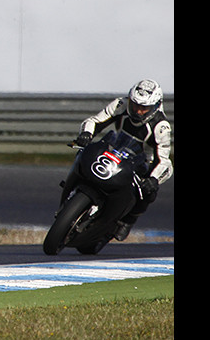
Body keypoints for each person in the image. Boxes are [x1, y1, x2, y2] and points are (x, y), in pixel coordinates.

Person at [72, 78, 173, 240]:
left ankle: (127, 221)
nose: (138, 111)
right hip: (114, 146)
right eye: (135, 105)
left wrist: (154, 180)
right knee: (83, 152)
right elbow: (94, 121)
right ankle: (72, 188)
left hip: (140, 162)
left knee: (148, 191)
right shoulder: (121, 104)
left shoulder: (161, 126)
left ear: (155, 106)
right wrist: (86, 134)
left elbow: (165, 162)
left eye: (144, 108)